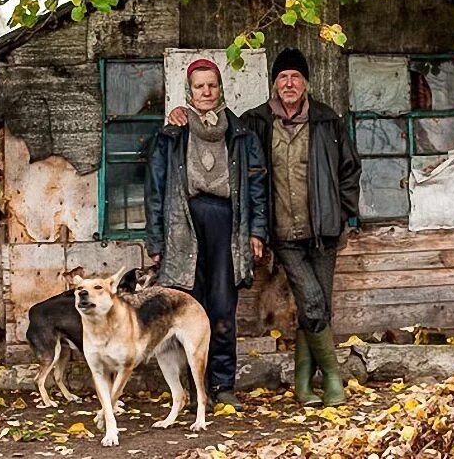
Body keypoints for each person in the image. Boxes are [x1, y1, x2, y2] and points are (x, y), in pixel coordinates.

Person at [168, 48, 361, 407]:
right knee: (312, 300)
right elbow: (252, 176)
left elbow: (349, 169)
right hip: (282, 232)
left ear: (306, 83)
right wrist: (260, 229)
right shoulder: (254, 122)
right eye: (282, 77)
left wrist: (342, 212)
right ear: (274, 83)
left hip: (324, 231)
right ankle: (333, 379)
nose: (289, 83)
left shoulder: (327, 120)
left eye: (295, 77)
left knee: (318, 306)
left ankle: (303, 384)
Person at [144, 59, 267, 410]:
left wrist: (257, 230)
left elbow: (257, 186)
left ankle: (223, 386)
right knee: (188, 309)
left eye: (212, 85)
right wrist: (156, 240)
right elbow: (155, 189)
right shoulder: (172, 134)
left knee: (223, 307)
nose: (206, 92)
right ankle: (195, 391)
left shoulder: (241, 133)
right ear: (190, 91)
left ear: (221, 88)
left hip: (227, 224)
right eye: (199, 86)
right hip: (184, 226)